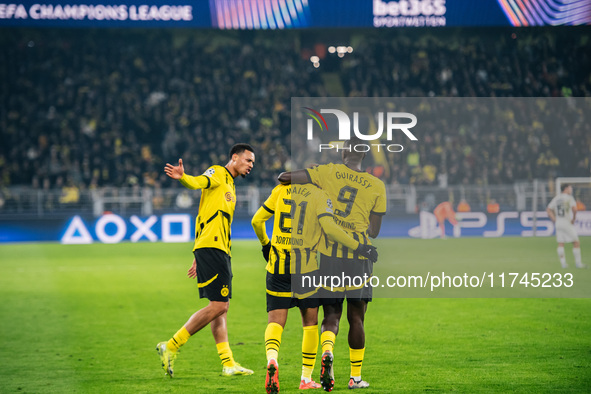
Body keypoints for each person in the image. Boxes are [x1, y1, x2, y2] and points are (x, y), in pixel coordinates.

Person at [278, 137, 387, 391]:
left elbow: (284, 177)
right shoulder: (377, 185)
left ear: (342, 155)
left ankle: (327, 352)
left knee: (331, 314)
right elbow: (374, 231)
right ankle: (355, 377)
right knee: (357, 318)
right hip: (359, 258)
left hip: (329, 254)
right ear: (364, 157)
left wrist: (316, 180)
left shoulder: (327, 172)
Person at [252, 183, 378, 393]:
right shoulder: (319, 195)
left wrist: (266, 244)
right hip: (306, 269)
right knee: (310, 323)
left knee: (275, 322)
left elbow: (257, 220)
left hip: (277, 266)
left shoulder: (280, 189)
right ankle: (306, 378)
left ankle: (272, 360)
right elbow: (329, 229)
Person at [156, 143, 255, 378]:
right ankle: (170, 345)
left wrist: (196, 254)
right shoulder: (218, 173)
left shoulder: (230, 184)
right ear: (235, 157)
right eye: (248, 160)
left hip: (216, 248)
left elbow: (204, 216)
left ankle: (228, 363)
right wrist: (183, 177)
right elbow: (198, 181)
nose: (251, 165)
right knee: (219, 306)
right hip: (213, 248)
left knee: (221, 309)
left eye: (252, 162)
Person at [546, 184, 585, 269]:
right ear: (566, 189)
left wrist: (554, 219)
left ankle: (563, 264)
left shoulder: (556, 198)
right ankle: (578, 263)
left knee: (560, 243)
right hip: (566, 222)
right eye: (570, 188)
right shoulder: (569, 198)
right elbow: (574, 209)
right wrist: (573, 218)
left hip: (558, 222)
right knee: (576, 242)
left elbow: (548, 209)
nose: (571, 190)